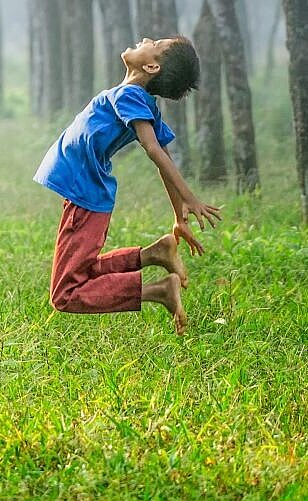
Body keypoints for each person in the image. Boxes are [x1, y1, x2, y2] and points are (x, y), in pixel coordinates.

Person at [34, 35, 222, 335]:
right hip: (85, 194)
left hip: (85, 196)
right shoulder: (135, 98)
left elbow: (154, 149)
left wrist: (189, 198)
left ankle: (159, 291)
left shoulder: (131, 96)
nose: (146, 38)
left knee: (65, 293)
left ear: (151, 66)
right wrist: (178, 216)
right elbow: (164, 152)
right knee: (82, 272)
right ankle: (154, 254)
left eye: (156, 43)